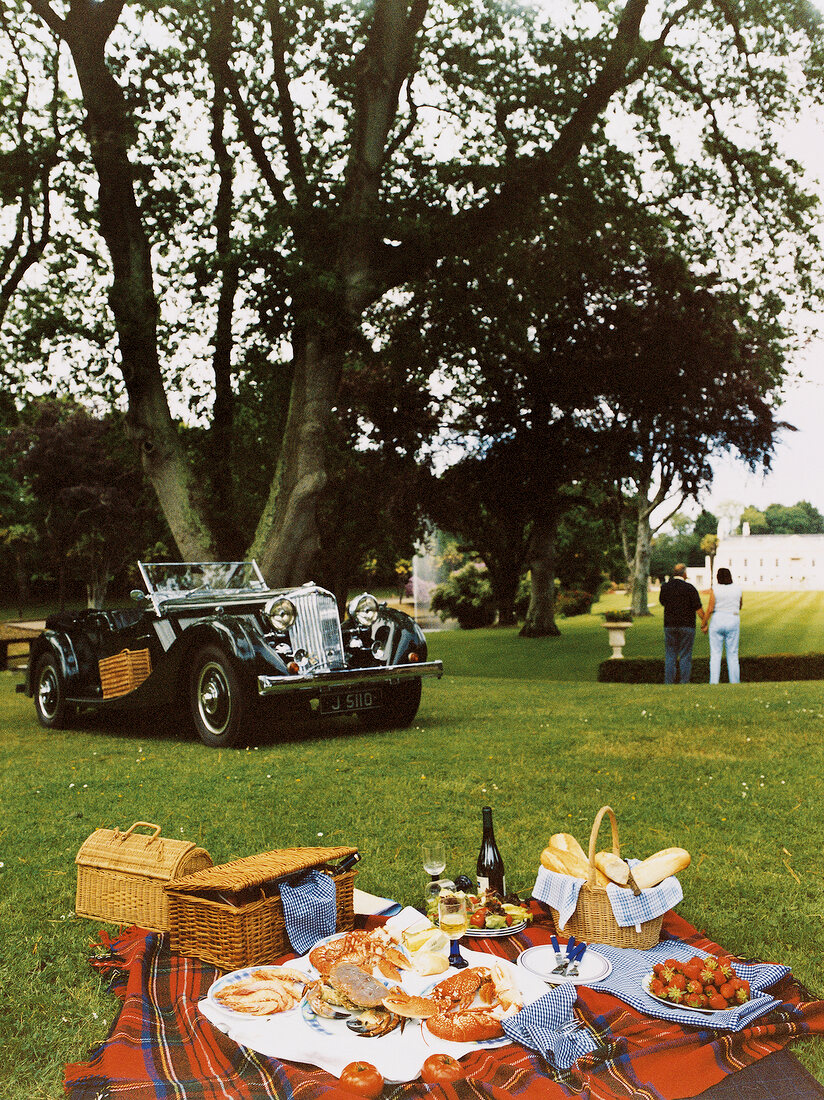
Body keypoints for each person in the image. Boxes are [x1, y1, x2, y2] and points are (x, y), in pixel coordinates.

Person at [659, 563, 705, 684]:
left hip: (669, 625)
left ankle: (669, 681)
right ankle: (684, 681)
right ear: (684, 574)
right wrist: (704, 622)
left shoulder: (665, 587)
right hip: (687, 625)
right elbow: (698, 608)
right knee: (685, 654)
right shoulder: (690, 588)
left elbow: (663, 602)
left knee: (670, 654)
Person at [701, 567, 743, 684]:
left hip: (718, 618)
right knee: (733, 653)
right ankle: (735, 682)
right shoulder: (738, 589)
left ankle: (714, 682)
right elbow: (740, 605)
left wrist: (703, 623)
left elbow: (710, 608)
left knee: (715, 654)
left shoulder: (715, 589)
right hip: (733, 618)